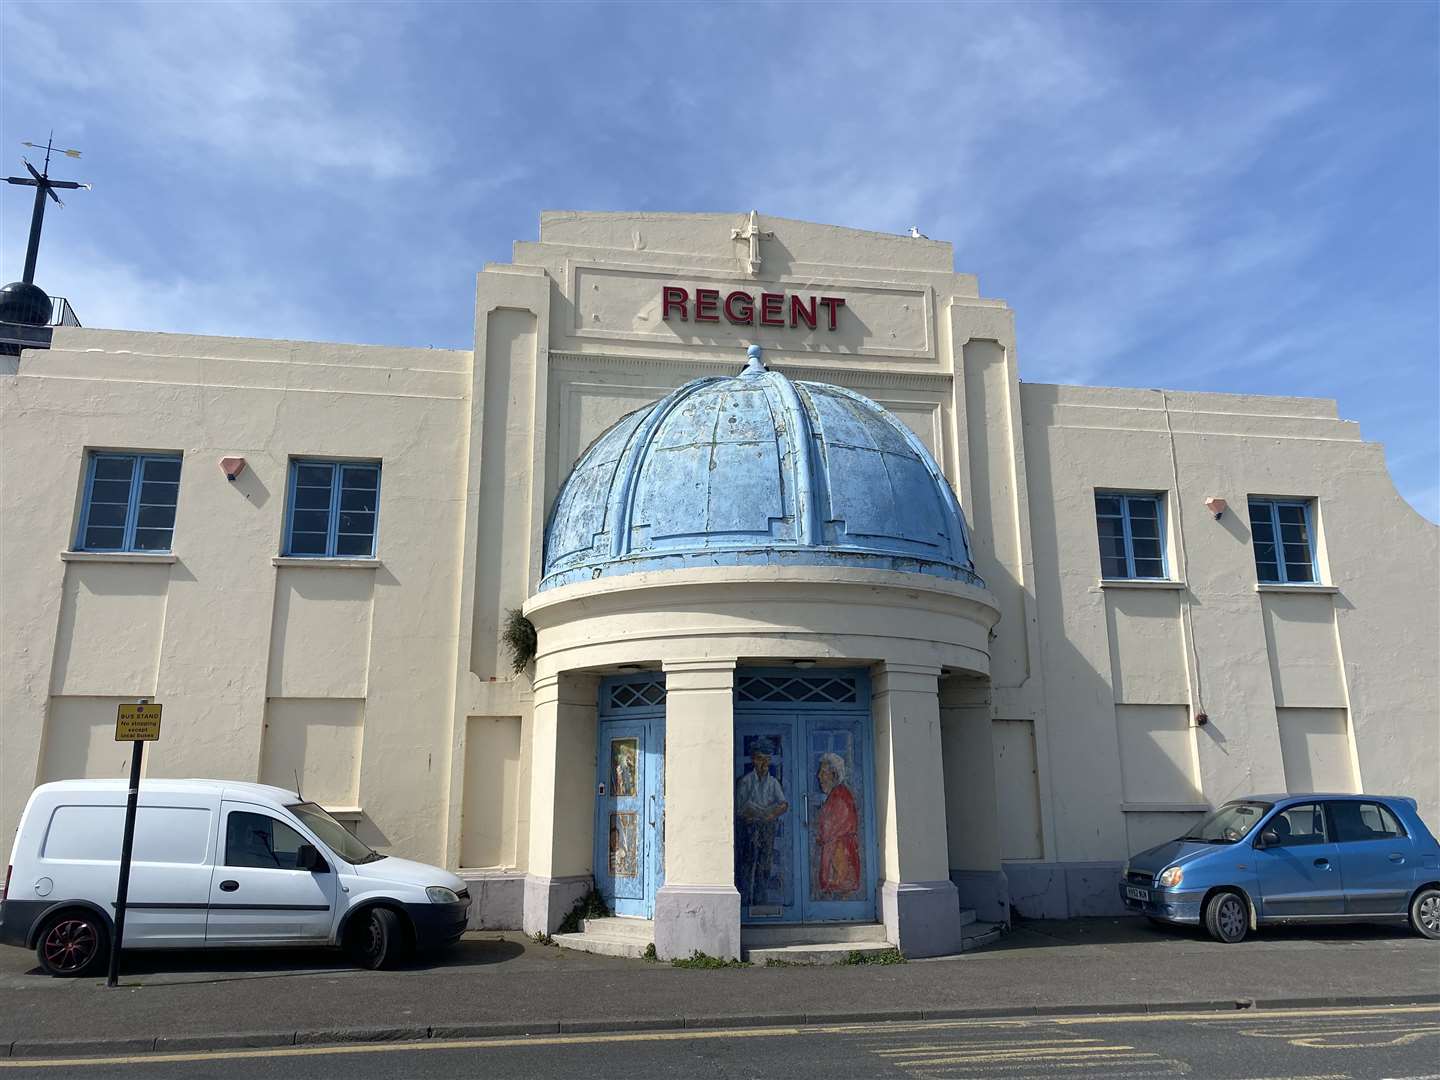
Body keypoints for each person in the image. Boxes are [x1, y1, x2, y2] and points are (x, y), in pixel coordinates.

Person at [736, 738, 789, 907]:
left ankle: (760, 901)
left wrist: (771, 814)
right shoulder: (745, 781)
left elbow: (783, 804)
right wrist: (750, 812)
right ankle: (745, 901)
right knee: (747, 865)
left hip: (766, 827)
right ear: (753, 759)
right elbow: (739, 808)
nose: (763, 763)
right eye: (760, 758)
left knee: (764, 866)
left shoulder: (773, 783)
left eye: (767, 759)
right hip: (749, 828)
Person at [814, 751, 860, 898]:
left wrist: (821, 836)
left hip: (840, 857)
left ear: (834, 775)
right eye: (820, 772)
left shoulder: (840, 797)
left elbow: (832, 829)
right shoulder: (835, 795)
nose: (819, 777)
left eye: (823, 773)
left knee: (840, 889)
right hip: (836, 855)